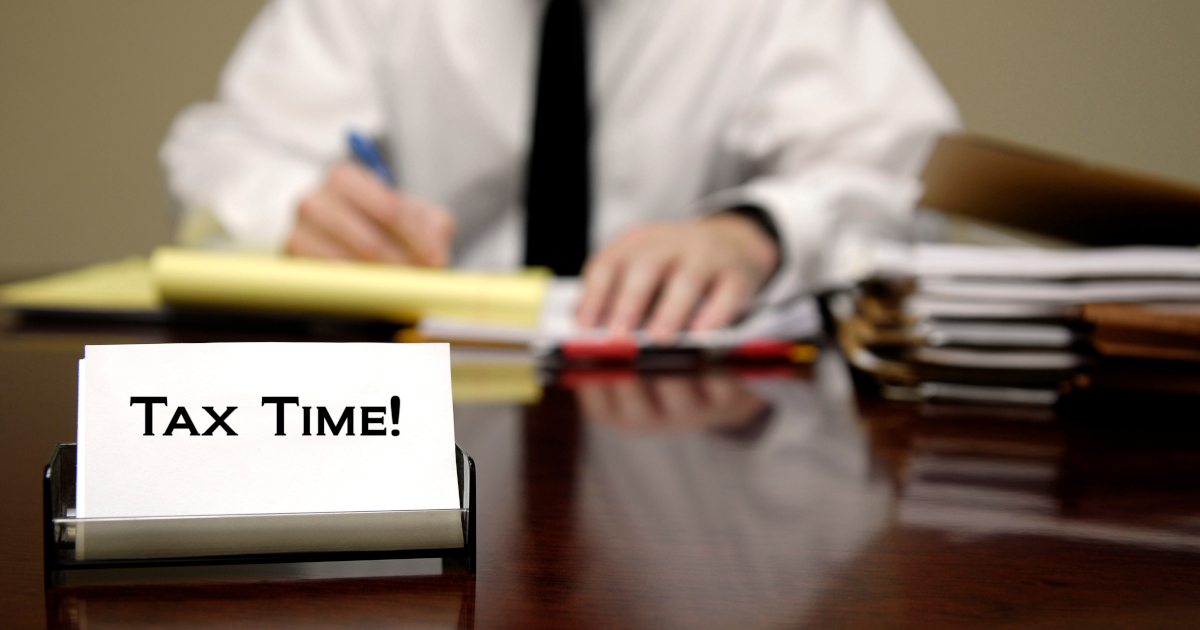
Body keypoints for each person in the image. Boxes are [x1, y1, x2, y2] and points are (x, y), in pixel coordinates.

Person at [161, 0, 958, 340]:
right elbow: (222, 145)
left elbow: (913, 176)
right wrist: (296, 208)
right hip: (420, 401)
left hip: (694, 419)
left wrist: (757, 231)